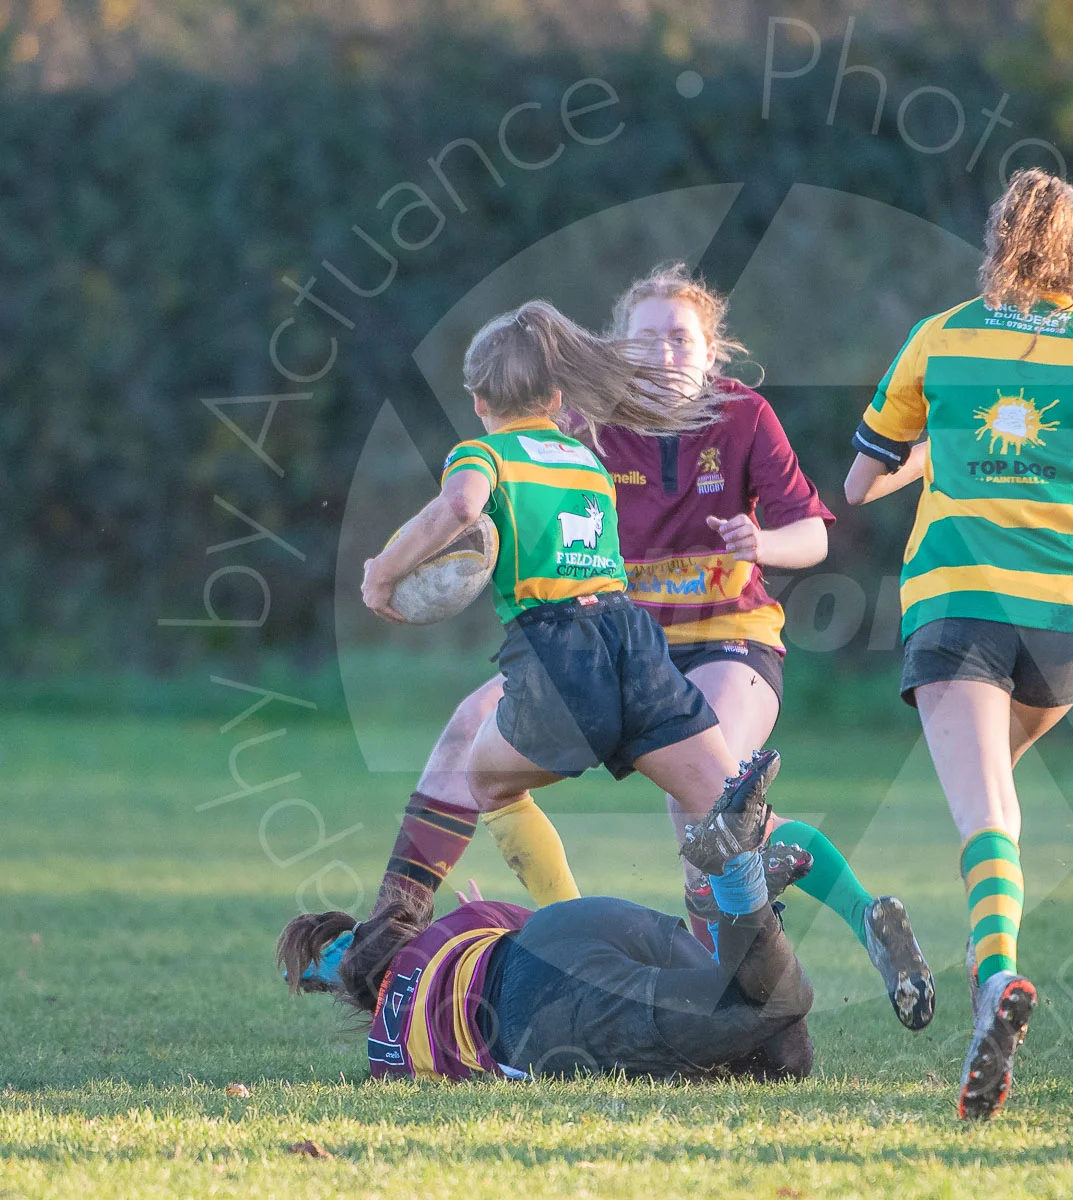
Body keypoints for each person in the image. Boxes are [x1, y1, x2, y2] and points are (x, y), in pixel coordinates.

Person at [351, 270, 935, 1033]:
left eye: (680, 335)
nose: (663, 349)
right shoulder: (586, 428)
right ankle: (389, 928)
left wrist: (764, 542)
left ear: (711, 350)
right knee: (470, 727)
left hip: (731, 639)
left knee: (708, 808)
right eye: (646, 336)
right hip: (620, 646)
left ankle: (828, 931)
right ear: (617, 351)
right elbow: (516, 480)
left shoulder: (745, 417)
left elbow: (815, 536)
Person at [844, 168, 1073, 1118]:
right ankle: (984, 967)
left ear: (997, 248)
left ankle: (995, 976)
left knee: (986, 816)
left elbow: (857, 484)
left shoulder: (942, 335)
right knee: (996, 797)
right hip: (1069, 624)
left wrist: (931, 452)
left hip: (959, 600)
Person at [360, 300, 783, 918]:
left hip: (560, 655)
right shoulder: (586, 461)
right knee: (718, 804)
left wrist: (384, 573)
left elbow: (458, 508)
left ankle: (571, 926)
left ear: (479, 401)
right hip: (633, 642)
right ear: (558, 401)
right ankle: (778, 890)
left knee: (485, 780)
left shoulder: (486, 454)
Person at [278, 747, 817, 1082]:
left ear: (363, 994)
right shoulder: (457, 929)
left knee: (780, 1009)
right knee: (785, 1051)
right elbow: (549, 920)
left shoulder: (387, 1052)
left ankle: (736, 889)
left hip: (533, 1012)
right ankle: (735, 896)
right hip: (565, 928)